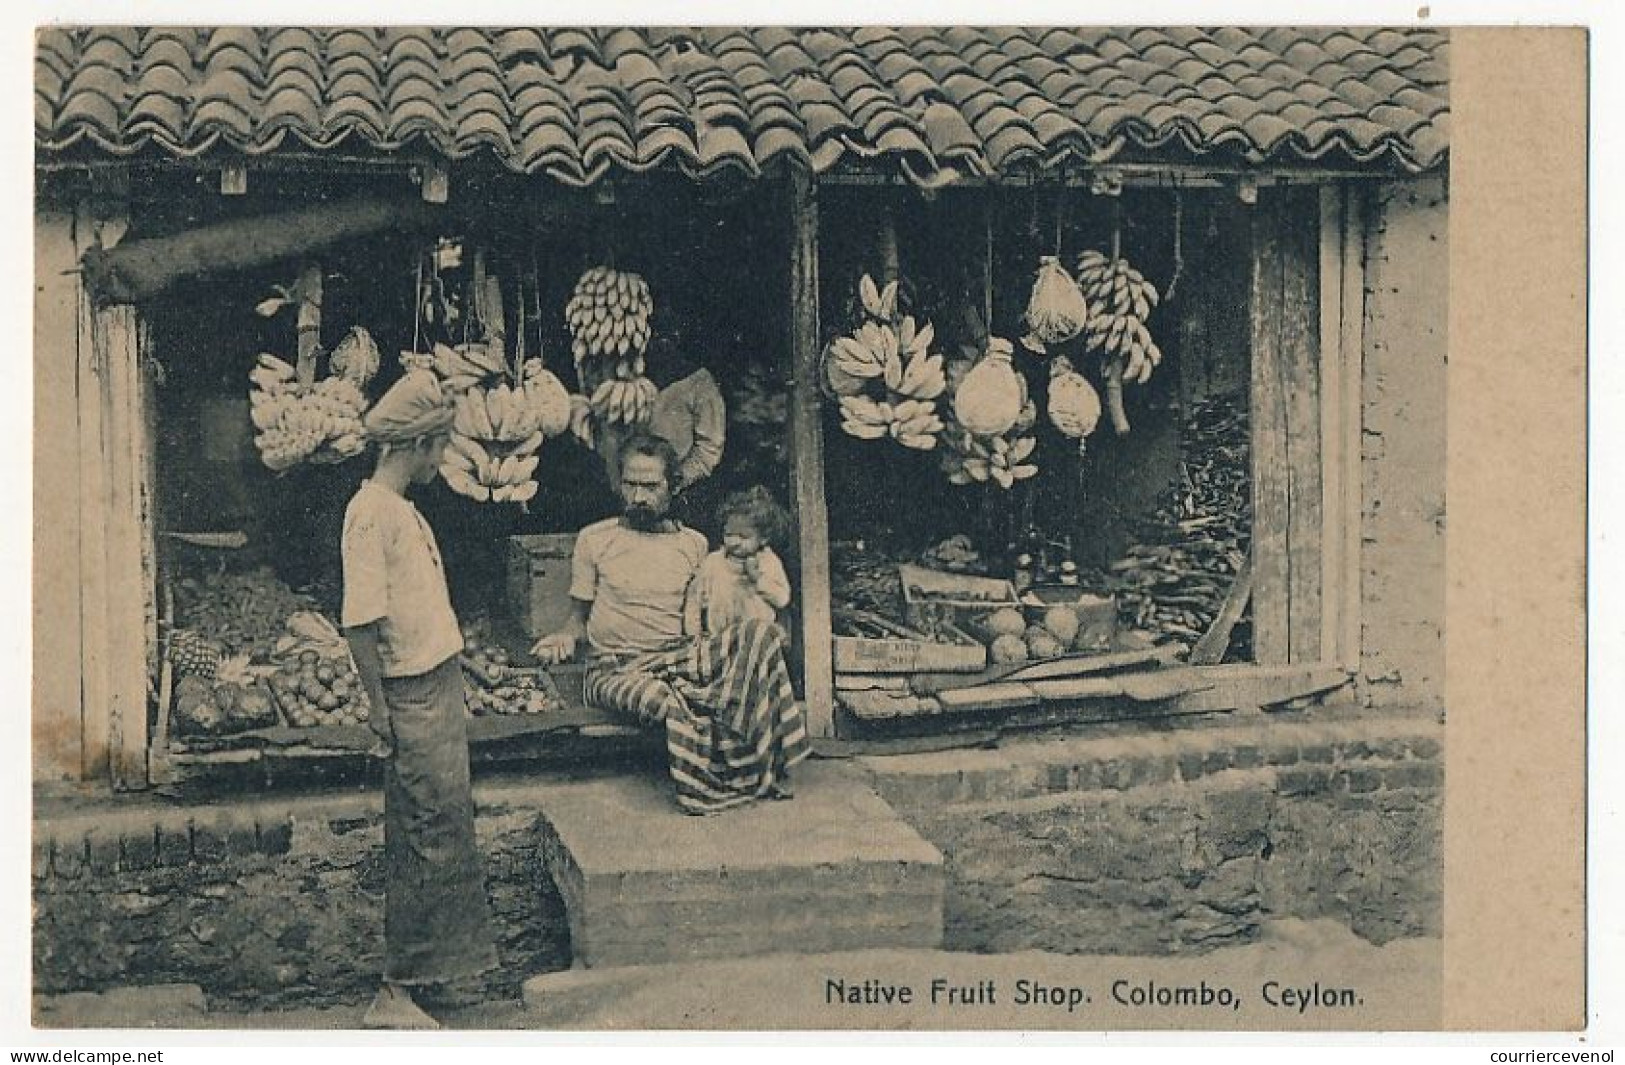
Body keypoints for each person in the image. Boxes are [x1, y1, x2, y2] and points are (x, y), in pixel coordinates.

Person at [532, 432, 809, 813]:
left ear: (673, 487)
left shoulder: (694, 545)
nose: (639, 496)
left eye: (651, 486)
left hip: (681, 659)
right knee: (669, 704)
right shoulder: (594, 540)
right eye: (630, 484)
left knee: (760, 635)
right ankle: (722, 780)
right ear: (619, 484)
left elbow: (713, 608)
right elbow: (576, 620)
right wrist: (561, 637)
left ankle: (758, 757)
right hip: (616, 670)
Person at [342, 370, 498, 1029]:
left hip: (434, 683)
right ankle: (395, 989)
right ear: (421, 442)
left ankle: (429, 973)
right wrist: (380, 710)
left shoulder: (398, 509)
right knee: (422, 832)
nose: (443, 460)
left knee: (442, 828)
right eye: (439, 447)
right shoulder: (370, 514)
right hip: (410, 692)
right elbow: (359, 620)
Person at [684, 486, 792, 639]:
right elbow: (694, 598)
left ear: (763, 538)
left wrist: (758, 580)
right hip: (721, 638)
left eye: (743, 536)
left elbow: (782, 599)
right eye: (729, 534)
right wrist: (693, 634)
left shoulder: (768, 562)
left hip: (757, 639)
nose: (734, 542)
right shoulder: (713, 562)